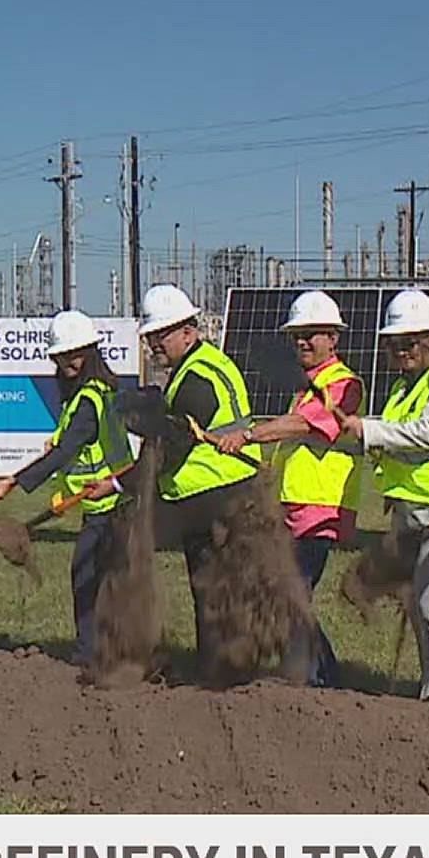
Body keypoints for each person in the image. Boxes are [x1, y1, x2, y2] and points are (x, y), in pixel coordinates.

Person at [329, 290, 429, 703]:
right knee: (416, 602)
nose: (404, 350)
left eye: (412, 342)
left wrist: (368, 430)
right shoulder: (402, 387)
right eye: (396, 344)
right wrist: (359, 439)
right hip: (408, 509)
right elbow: (392, 439)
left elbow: (426, 433)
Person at [215, 290, 356, 688]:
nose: (303, 342)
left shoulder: (344, 384)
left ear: (334, 338)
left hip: (320, 510)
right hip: (296, 509)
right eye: (298, 335)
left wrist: (247, 434)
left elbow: (306, 426)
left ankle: (311, 682)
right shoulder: (307, 388)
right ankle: (324, 678)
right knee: (290, 596)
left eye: (313, 334)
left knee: (290, 595)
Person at [136, 284, 274, 671]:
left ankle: (231, 673)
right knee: (211, 587)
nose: (154, 344)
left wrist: (122, 484)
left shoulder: (199, 376)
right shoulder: (193, 369)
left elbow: (173, 445)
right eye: (151, 337)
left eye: (161, 335)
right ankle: (218, 669)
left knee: (222, 588)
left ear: (189, 332)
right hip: (207, 498)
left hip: (223, 496)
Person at [0, 311, 133, 665]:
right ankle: (115, 651)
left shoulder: (88, 400)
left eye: (76, 353)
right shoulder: (96, 391)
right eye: (62, 355)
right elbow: (70, 444)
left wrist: (16, 481)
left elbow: (70, 448)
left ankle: (92, 653)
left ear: (91, 352)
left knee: (87, 577)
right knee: (104, 580)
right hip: (107, 502)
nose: (69, 361)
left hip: (108, 504)